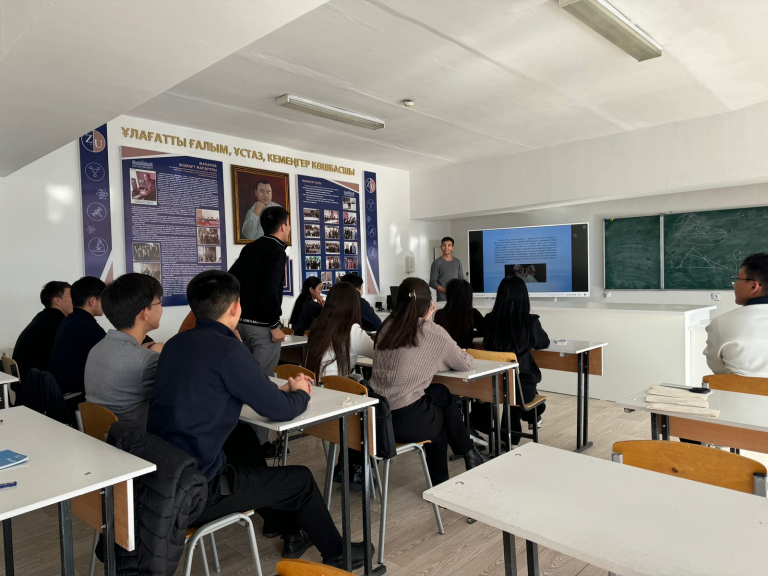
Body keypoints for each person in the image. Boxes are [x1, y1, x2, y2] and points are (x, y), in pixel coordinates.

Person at [147, 270, 371, 568]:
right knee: (301, 480)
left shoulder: (175, 344)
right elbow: (280, 410)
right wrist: (301, 393)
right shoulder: (228, 349)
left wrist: (281, 390)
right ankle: (338, 555)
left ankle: (288, 530)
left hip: (166, 475)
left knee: (243, 440)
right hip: (198, 490)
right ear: (236, 307)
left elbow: (237, 388)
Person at [370, 277, 485, 485]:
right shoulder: (432, 332)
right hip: (403, 419)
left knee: (441, 392)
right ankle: (443, 480)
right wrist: (428, 324)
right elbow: (466, 363)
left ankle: (469, 452)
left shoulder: (386, 327)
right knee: (442, 422)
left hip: (376, 415)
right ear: (430, 304)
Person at [229, 205, 290, 448]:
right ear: (283, 226)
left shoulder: (250, 248)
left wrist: (233, 320)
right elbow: (269, 292)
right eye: (288, 224)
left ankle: (242, 440)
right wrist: (274, 324)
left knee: (245, 381)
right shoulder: (276, 252)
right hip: (264, 329)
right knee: (260, 386)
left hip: (242, 325)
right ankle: (258, 446)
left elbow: (231, 281)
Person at [85, 273, 165, 429]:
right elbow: (173, 400)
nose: (161, 308)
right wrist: (157, 355)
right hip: (135, 439)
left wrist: (142, 352)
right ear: (145, 313)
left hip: (100, 437)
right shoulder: (147, 360)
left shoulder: (97, 349)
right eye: (159, 302)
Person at [482, 275, 549, 437]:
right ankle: (532, 416)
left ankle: (509, 438)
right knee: (518, 385)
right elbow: (544, 342)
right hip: (520, 390)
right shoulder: (530, 322)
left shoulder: (489, 320)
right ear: (524, 297)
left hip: (491, 386)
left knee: (511, 384)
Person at [704, 252, 768, 376]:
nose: (734, 285)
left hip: (738, 389)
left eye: (738, 279)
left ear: (753, 287)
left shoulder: (721, 322)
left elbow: (717, 368)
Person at [49, 276, 107, 399]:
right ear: (92, 301)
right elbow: (113, 357)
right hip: (74, 396)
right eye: (104, 299)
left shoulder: (68, 320)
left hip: (59, 392)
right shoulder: (88, 327)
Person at [304, 282, 375, 379]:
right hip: (335, 386)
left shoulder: (317, 325)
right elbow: (381, 354)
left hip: (313, 385)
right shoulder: (352, 330)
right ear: (354, 305)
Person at [12, 281, 73, 381]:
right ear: (57, 300)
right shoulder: (58, 323)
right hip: (39, 384)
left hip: (26, 382)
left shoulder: (42, 317)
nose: (75, 300)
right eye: (71, 296)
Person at [434, 278, 484, 349]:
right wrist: (470, 333)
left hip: (443, 354)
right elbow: (486, 332)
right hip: (463, 354)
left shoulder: (439, 314)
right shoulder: (472, 314)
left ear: (449, 295)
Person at [429, 237, 465, 302]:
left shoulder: (457, 262)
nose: (446, 248)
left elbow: (461, 280)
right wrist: (446, 290)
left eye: (449, 245)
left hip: (457, 298)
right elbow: (432, 282)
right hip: (442, 299)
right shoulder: (436, 263)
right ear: (441, 247)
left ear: (453, 248)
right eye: (444, 245)